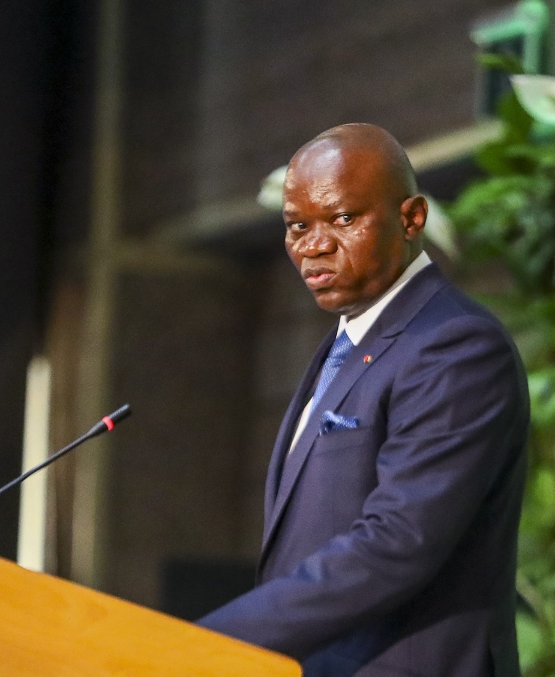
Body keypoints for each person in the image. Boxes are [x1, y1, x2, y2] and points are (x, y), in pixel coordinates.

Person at [198, 123, 529, 677]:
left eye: (344, 219)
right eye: (297, 226)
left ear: (411, 218)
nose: (315, 245)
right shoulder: (351, 342)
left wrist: (213, 641)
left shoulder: (454, 345)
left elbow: (399, 541)